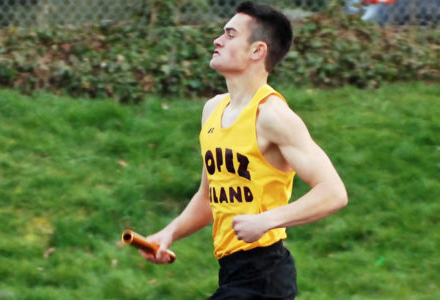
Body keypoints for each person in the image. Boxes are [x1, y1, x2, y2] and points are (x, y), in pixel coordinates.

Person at [140, 1, 348, 299]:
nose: (217, 40)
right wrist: (169, 233)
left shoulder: (272, 116)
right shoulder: (212, 109)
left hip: (265, 273)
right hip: (233, 272)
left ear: (257, 50)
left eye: (230, 34)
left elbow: (334, 192)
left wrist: (267, 220)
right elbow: (208, 196)